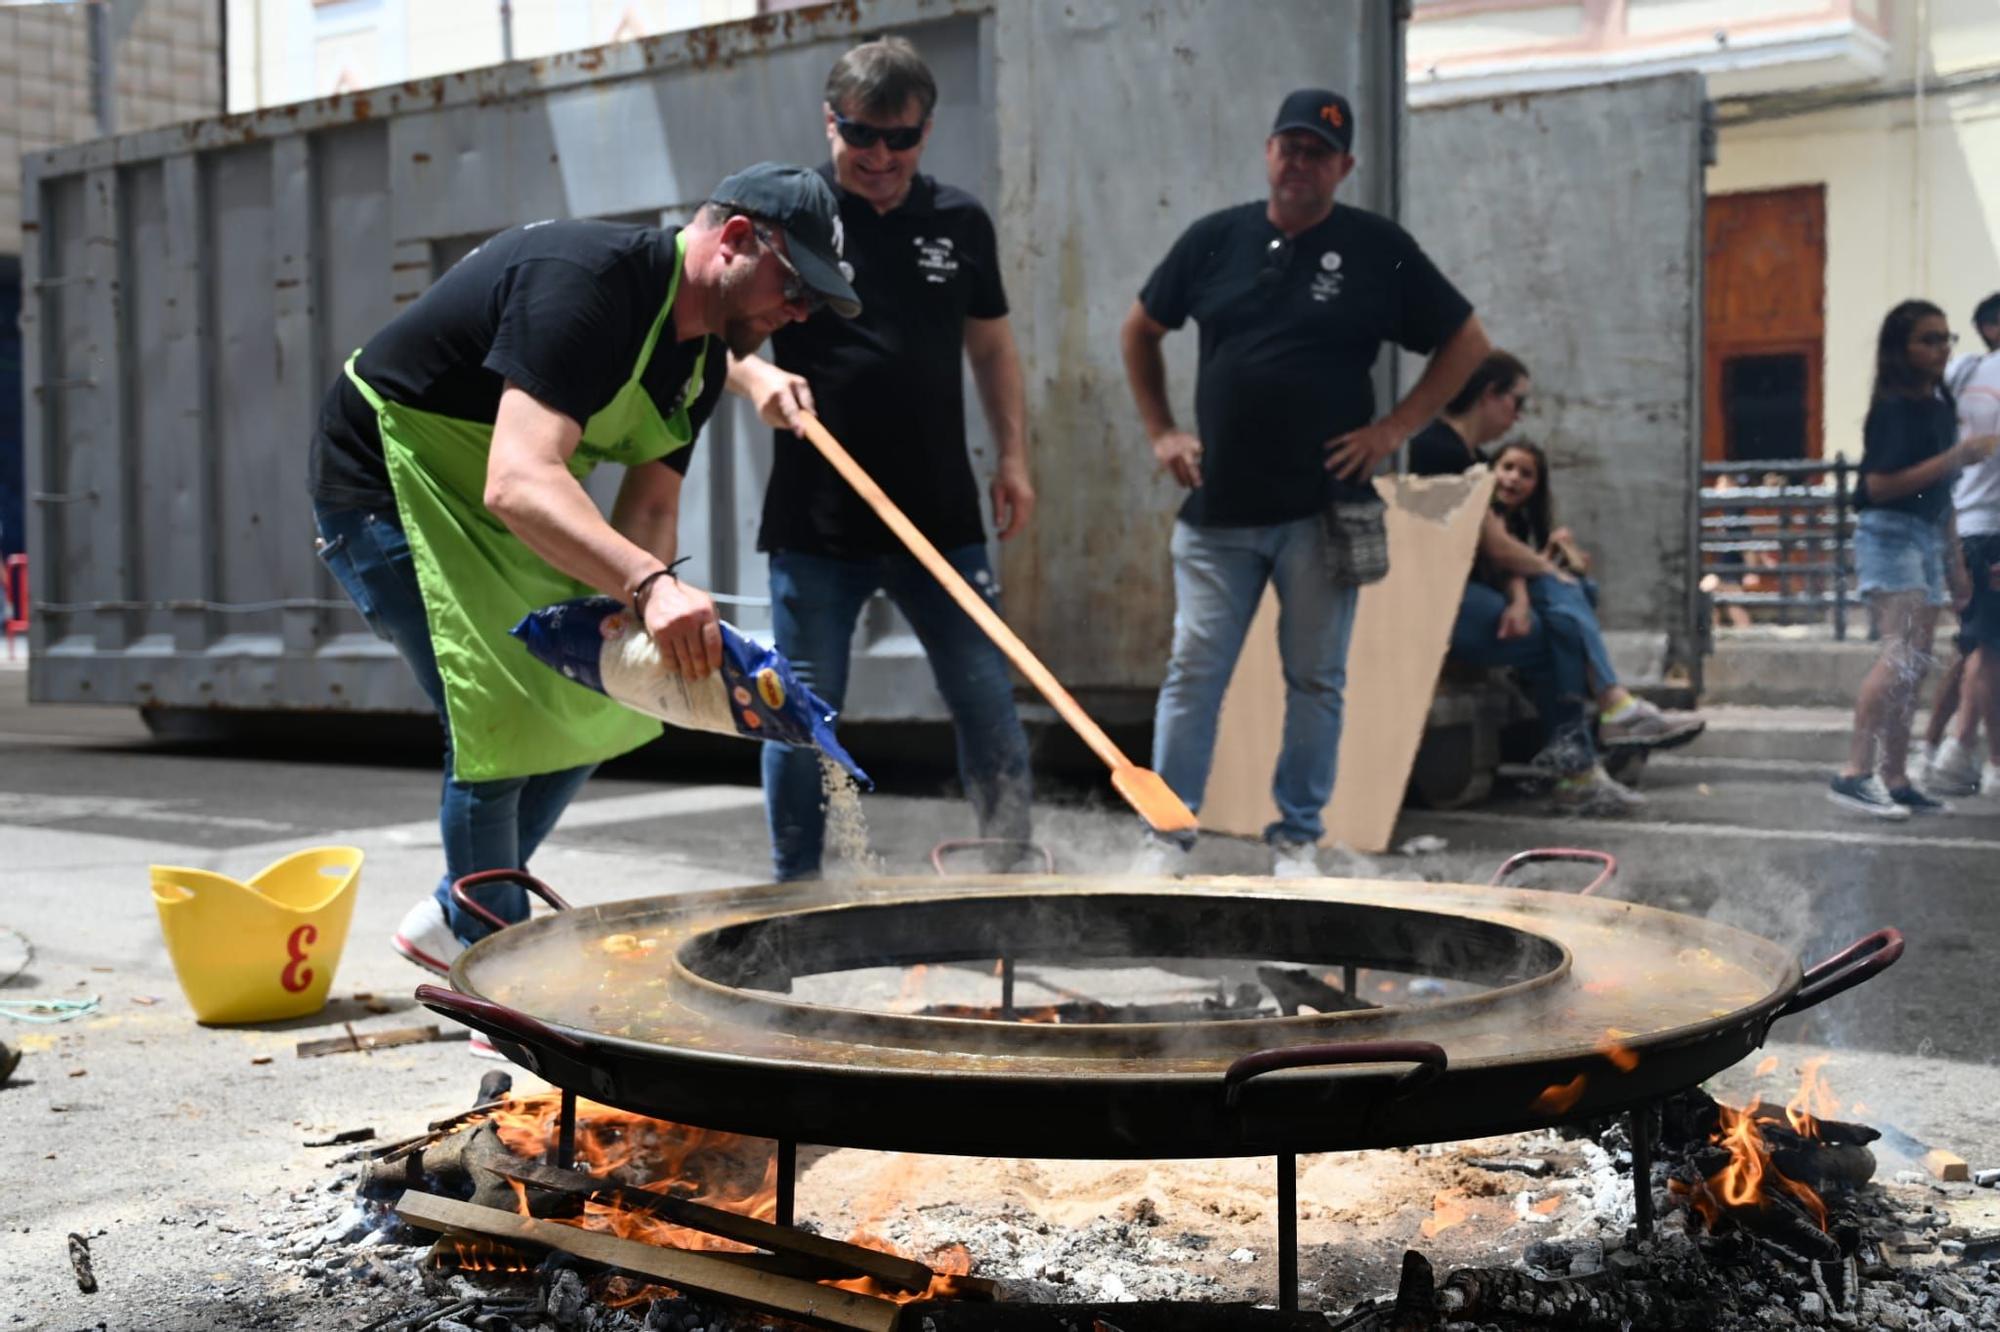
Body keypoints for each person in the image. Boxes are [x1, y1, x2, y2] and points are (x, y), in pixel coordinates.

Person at [309, 163, 861, 975]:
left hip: (501, 503)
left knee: (605, 691)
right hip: (390, 486)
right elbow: (519, 478)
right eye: (797, 285)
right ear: (737, 240)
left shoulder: (703, 364)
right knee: (496, 716)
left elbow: (647, 512)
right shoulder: (586, 285)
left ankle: (449, 914)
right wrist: (648, 586)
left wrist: (651, 619)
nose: (800, 312)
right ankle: (498, 976)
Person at [1120, 87, 1490, 876]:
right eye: (1290, 146)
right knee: (1193, 672)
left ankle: (1297, 839)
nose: (1301, 162)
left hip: (1323, 513)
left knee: (1316, 680)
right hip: (1217, 514)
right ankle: (1167, 836)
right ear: (1268, 152)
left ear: (1344, 166)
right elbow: (1139, 329)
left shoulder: (1376, 248)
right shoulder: (1215, 241)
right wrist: (1161, 432)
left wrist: (1395, 430)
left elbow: (1466, 341)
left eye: (1319, 152)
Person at [724, 37, 1035, 881]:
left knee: (986, 702)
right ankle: (793, 889)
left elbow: (993, 351)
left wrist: (1013, 456)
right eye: (864, 136)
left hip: (940, 516)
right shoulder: (793, 214)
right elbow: (720, 342)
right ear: (832, 121)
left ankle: (1015, 882)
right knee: (799, 718)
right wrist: (759, 380)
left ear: (926, 133)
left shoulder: (960, 221)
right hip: (816, 521)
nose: (882, 158)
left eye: (903, 139)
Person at [1410, 355, 1703, 815]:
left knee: (1561, 621)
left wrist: (1523, 594)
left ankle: (1588, 754)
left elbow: (1501, 552)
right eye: (1517, 400)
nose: (1519, 414)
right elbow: (1496, 549)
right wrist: (1549, 573)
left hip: (1473, 593)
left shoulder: (1475, 459)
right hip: (1435, 599)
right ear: (1491, 394)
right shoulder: (1436, 449)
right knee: (1559, 621)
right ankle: (1601, 727)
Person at [1828, 300, 1997, 819]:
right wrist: (1957, 458)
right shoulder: (1895, 408)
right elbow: (1878, 486)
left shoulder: (1937, 403)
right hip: (1890, 535)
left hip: (1928, 536)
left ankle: (1895, 777)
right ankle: (1855, 773)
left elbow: (1943, 496)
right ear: (1901, 349)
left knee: (1916, 662)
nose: (1941, 349)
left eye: (1945, 339)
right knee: (1901, 654)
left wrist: (1955, 564)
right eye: (1928, 340)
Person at [1921, 291, 2000, 797]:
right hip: (1992, 527)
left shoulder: (1964, 373)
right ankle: (1971, 755)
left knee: (1973, 645)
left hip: (1965, 525)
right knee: (1988, 651)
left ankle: (1938, 749)